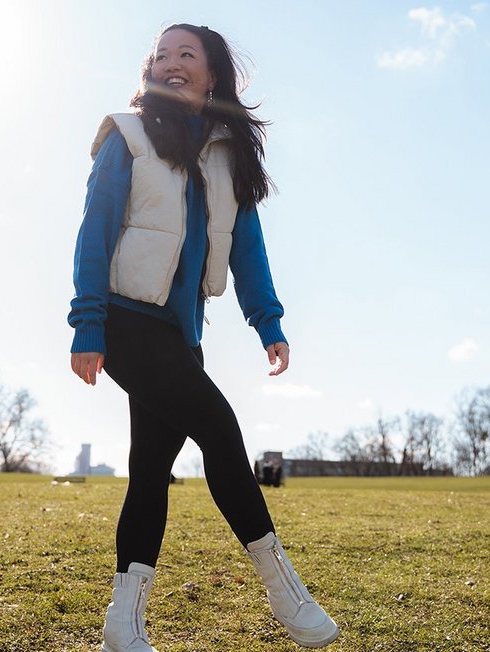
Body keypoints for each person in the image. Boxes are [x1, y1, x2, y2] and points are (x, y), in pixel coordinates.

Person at [68, 23, 339, 651]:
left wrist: (267, 320)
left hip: (182, 333)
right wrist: (87, 322)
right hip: (127, 321)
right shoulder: (126, 135)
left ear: (212, 73)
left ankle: (122, 625)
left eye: (184, 54)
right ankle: (284, 590)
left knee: (148, 473)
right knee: (221, 431)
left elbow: (248, 248)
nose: (170, 63)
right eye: (161, 55)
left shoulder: (228, 156)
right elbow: (94, 230)